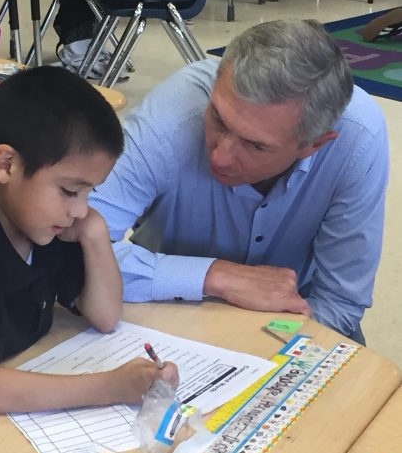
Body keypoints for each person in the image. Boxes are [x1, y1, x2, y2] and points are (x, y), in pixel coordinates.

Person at [0, 66, 178, 417]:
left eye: (89, 192)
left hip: (17, 384)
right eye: (70, 191)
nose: (80, 209)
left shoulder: (45, 224)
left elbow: (105, 315)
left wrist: (96, 234)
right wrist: (111, 386)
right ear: (6, 165)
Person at [89, 19, 390, 344]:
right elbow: (71, 251)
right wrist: (216, 275)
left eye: (256, 145)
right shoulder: (168, 119)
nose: (220, 157)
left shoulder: (357, 137)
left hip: (294, 313)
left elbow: (339, 303)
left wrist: (260, 349)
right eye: (218, 118)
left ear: (314, 144)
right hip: (164, 301)